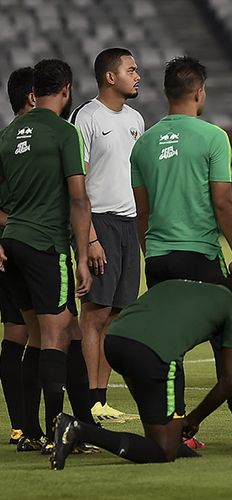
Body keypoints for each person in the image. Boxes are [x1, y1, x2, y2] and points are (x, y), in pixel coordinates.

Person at [129, 56, 232, 450]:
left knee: (170, 347)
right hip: (199, 254)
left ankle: (178, 434)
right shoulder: (212, 136)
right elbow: (223, 202)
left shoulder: (144, 143)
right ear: (199, 93)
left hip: (158, 257)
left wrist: (150, 251)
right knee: (226, 343)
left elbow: (142, 211)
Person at [50, 279, 232, 470]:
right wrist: (194, 418)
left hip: (115, 342)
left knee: (159, 428)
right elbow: (230, 379)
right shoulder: (231, 305)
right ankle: (79, 430)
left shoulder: (173, 284)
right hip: (153, 353)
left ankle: (168, 439)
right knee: (164, 452)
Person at [0, 59, 94, 452]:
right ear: (67, 90)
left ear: (34, 92)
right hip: (44, 244)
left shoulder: (8, 135)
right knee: (57, 334)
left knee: (43, 336)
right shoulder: (64, 132)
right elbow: (77, 196)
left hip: (13, 243)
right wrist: (83, 256)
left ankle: (30, 429)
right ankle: (60, 432)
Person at [69, 48, 144, 421]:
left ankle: (101, 398)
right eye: (131, 70)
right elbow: (77, 184)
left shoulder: (136, 120)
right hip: (99, 222)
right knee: (95, 315)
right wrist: (91, 238)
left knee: (116, 315)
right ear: (110, 77)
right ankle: (90, 400)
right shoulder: (86, 117)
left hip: (129, 225)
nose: (138, 76)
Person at [0, 67, 33, 445]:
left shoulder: (7, 139)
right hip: (19, 244)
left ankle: (23, 424)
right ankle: (25, 424)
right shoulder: (17, 142)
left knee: (22, 332)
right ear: (32, 98)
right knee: (35, 332)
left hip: (14, 241)